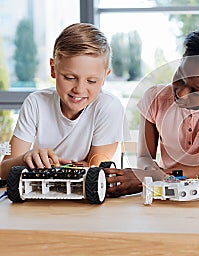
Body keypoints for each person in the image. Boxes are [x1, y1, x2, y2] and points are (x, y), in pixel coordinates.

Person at [105, 27, 199, 197]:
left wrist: (151, 177)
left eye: (196, 89)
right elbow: (145, 156)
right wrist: (149, 173)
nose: (181, 92)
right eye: (180, 76)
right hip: (167, 191)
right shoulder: (155, 98)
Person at [0, 23, 127, 179]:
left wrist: (43, 168)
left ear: (105, 77)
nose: (79, 89)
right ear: (53, 69)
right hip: (40, 198)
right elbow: (3, 169)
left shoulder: (108, 107)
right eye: (69, 78)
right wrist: (26, 158)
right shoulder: (36, 103)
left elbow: (96, 171)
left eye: (92, 81)